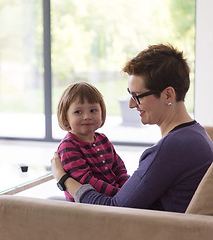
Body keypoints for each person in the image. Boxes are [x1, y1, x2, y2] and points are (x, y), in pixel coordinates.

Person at [51, 43, 213, 213]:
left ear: (168, 95)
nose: (130, 105)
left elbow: (115, 210)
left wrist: (63, 179)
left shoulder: (172, 148)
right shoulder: (197, 134)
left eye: (137, 97)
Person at [56, 82, 129, 202]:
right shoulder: (68, 146)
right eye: (78, 112)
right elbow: (85, 180)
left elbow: (119, 167)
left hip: (114, 197)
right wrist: (119, 193)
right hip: (87, 205)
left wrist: (127, 187)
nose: (87, 116)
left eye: (93, 110)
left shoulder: (103, 139)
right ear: (66, 118)